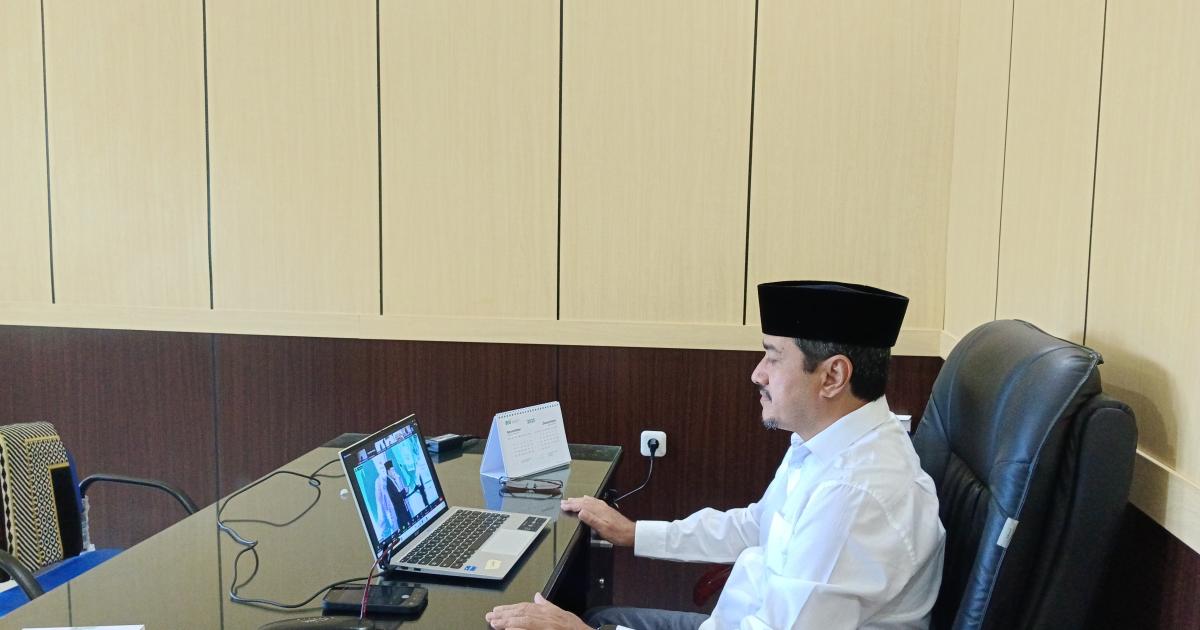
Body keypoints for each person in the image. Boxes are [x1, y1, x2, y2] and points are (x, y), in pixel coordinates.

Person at [486, 280, 946, 629]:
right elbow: (757, 526)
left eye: (773, 357)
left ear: (832, 377)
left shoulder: (853, 494)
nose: (757, 374)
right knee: (598, 615)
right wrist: (634, 533)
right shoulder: (829, 444)